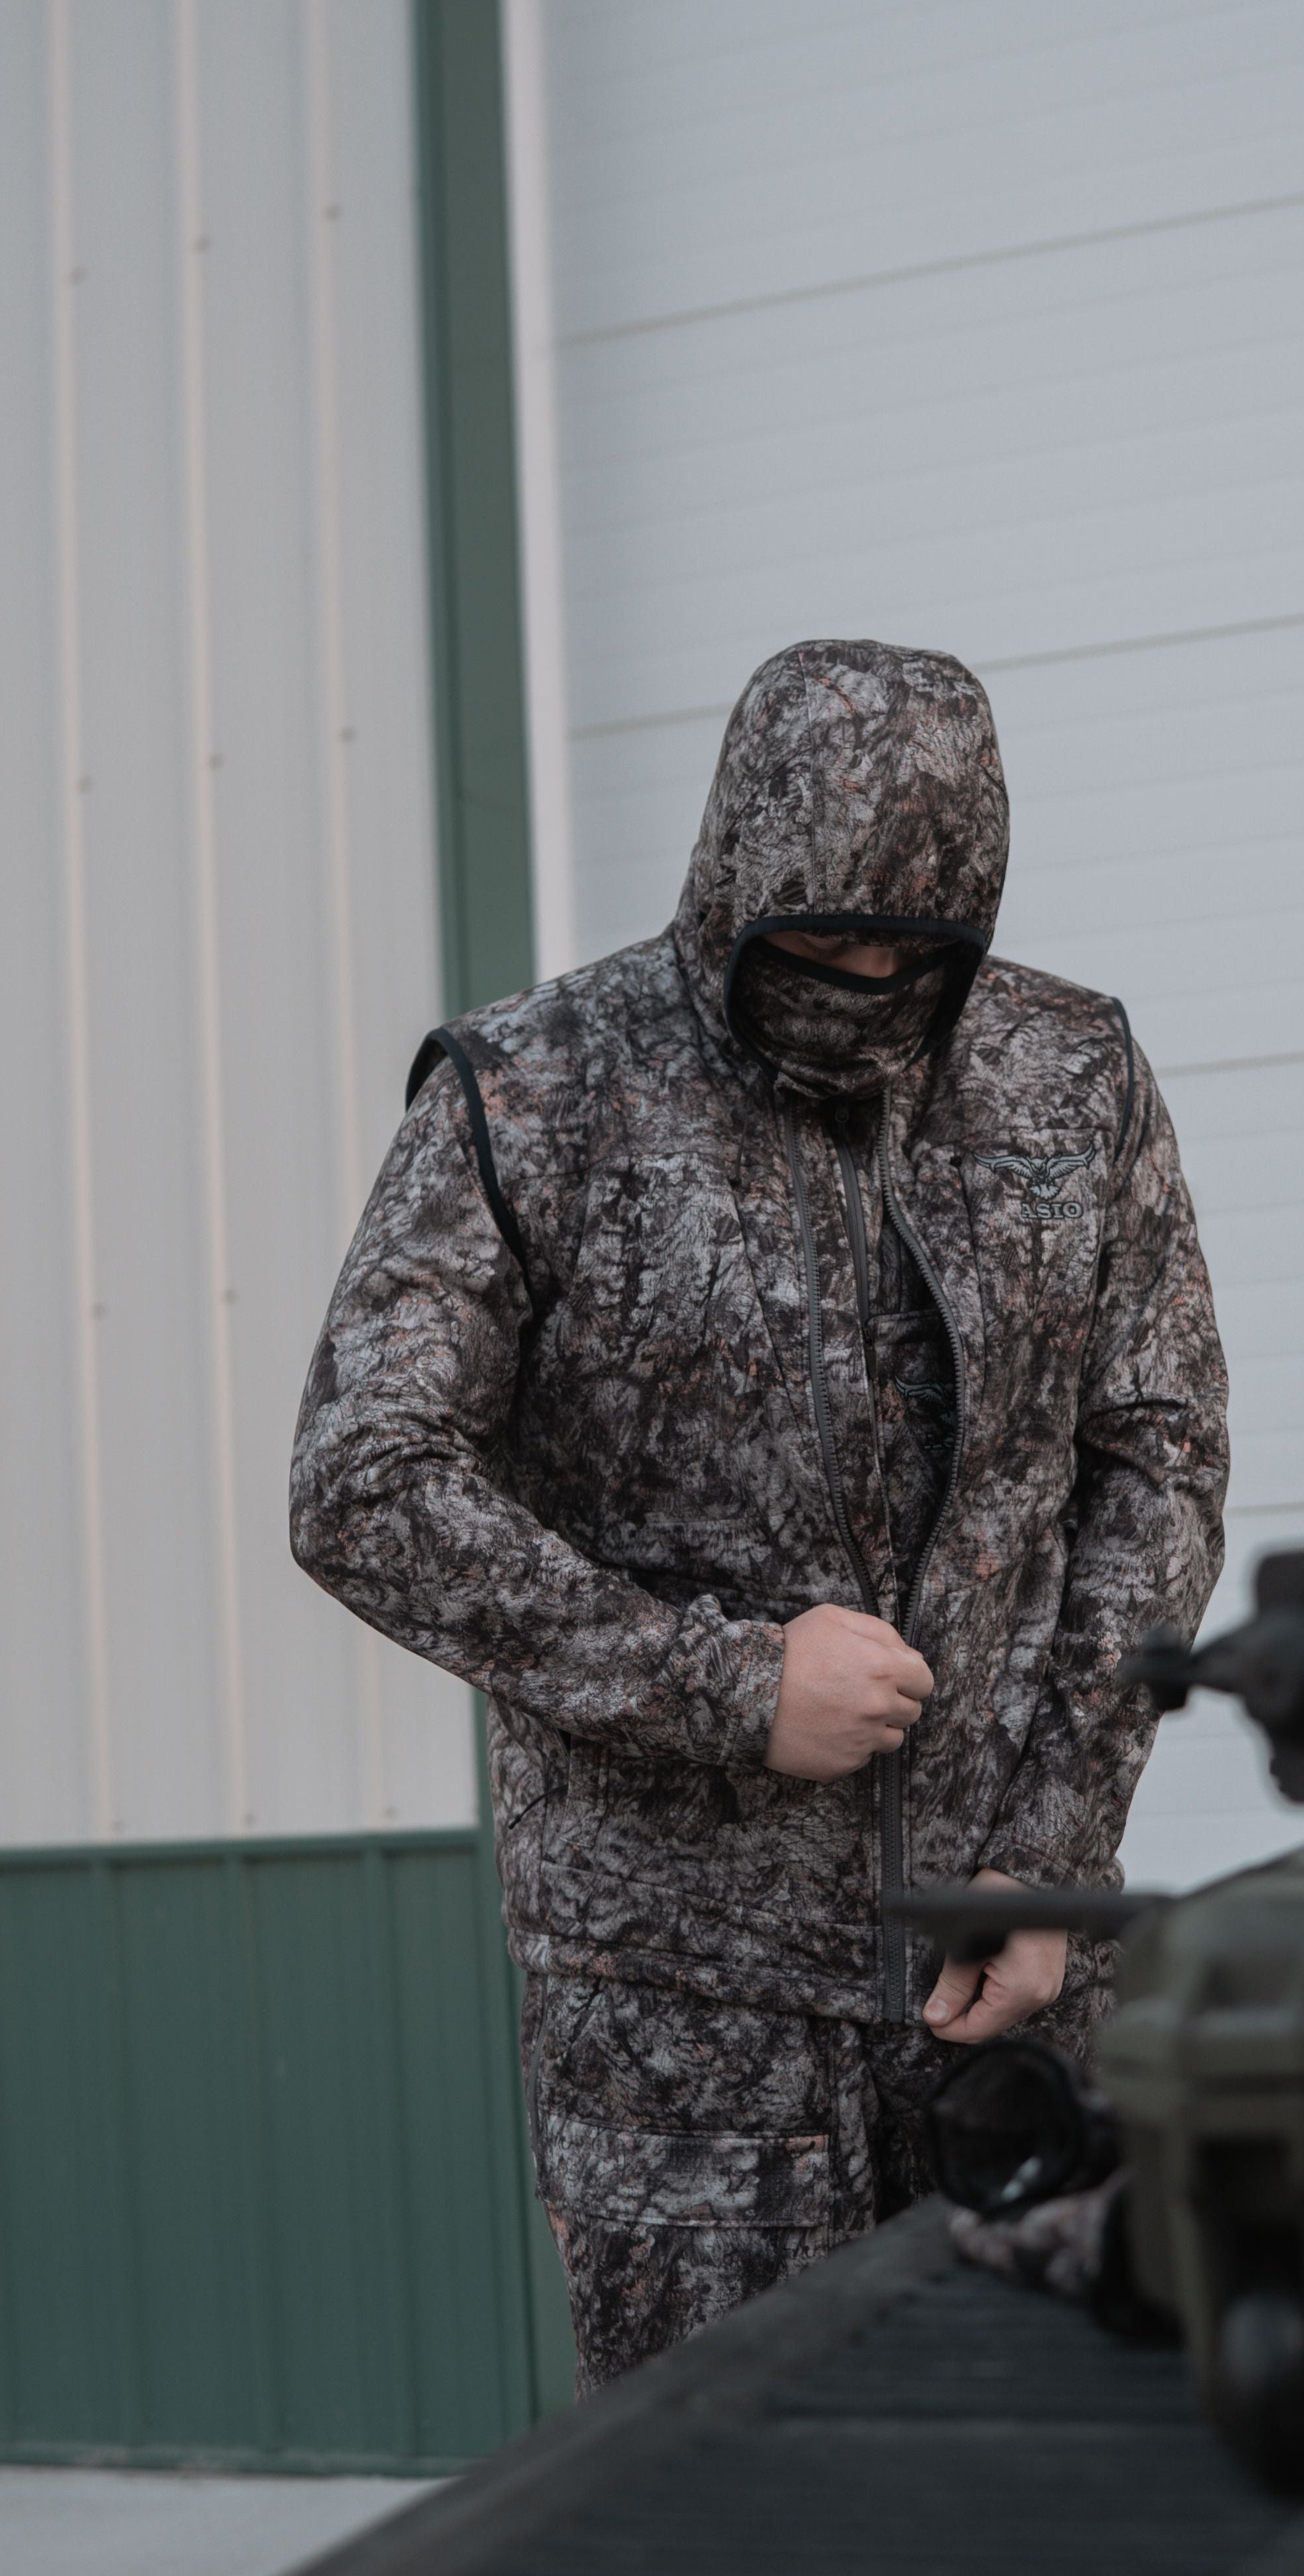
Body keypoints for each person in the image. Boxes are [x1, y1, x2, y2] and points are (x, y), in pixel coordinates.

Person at [290, 638, 1228, 2391]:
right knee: (729, 2553)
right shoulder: (535, 1091)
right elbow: (365, 1482)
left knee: (1054, 2526)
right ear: (736, 876)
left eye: (912, 950)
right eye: (821, 942)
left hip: (1006, 2002)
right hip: (684, 2037)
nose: (866, 980)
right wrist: (724, 1686)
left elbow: (1156, 1454)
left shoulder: (1071, 1076)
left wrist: (1056, 1854)